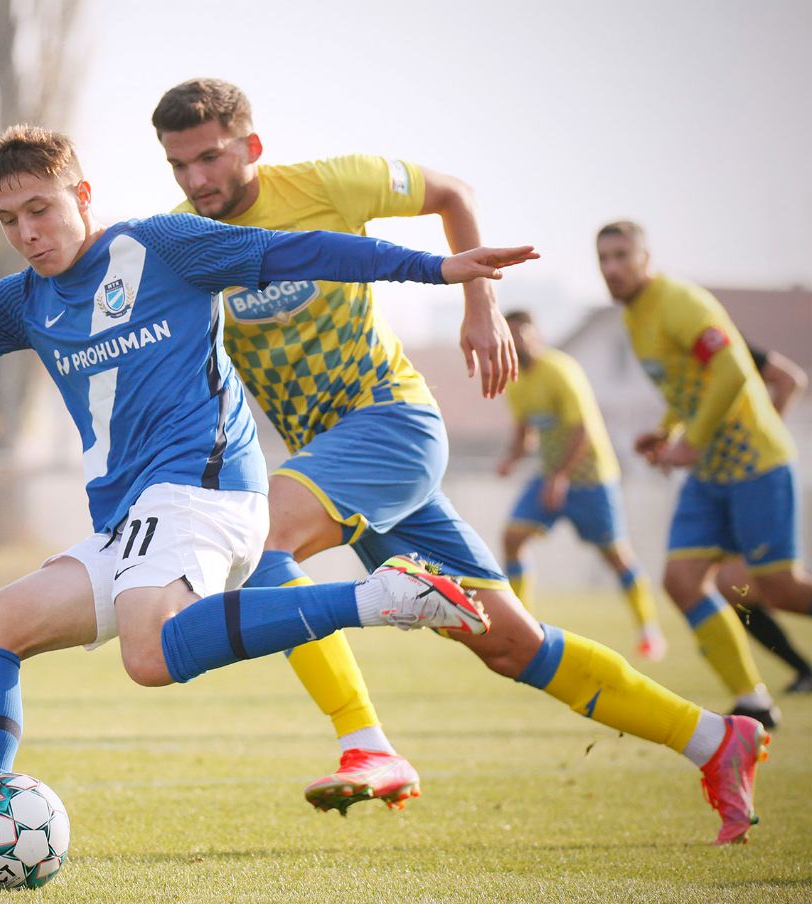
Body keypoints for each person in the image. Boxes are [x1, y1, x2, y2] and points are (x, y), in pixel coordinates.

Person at [0, 124, 535, 879]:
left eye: (41, 209)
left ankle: (381, 597)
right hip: (137, 521)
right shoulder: (24, 301)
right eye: (9, 220)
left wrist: (436, 269)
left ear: (82, 196)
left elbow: (298, 251)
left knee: (148, 653)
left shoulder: (164, 246)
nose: (28, 232)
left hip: (207, 492)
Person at [151, 79, 768, 845]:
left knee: (261, 540)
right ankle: (714, 739)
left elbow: (453, 193)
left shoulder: (328, 185)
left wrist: (479, 303)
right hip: (339, 465)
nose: (197, 179)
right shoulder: (184, 239)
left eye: (210, 157)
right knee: (512, 644)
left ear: (252, 146)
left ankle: (366, 743)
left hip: (391, 424)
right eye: (179, 165)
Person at [598, 218, 812, 731]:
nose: (612, 269)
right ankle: (753, 700)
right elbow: (686, 384)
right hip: (709, 472)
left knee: (779, 590)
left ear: (646, 258)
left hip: (755, 463)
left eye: (622, 256)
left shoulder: (680, 302)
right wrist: (667, 431)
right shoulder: (634, 317)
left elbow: (733, 370)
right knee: (682, 580)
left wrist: (690, 441)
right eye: (603, 259)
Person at [496, 310, 667, 660]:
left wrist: (560, 477)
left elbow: (583, 430)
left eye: (522, 334)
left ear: (537, 336)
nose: (517, 342)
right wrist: (511, 458)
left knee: (615, 555)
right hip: (550, 475)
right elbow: (525, 433)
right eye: (510, 336)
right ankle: (523, 624)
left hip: (591, 478)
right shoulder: (515, 380)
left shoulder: (561, 371)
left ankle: (649, 631)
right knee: (512, 538)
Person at [716, 344, 812, 692]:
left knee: (782, 588)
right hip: (727, 480)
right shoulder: (676, 357)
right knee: (733, 586)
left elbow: (790, 379)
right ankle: (806, 672)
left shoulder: (717, 337)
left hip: (759, 474)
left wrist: (760, 439)